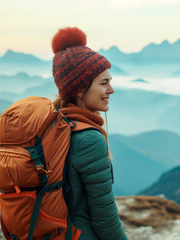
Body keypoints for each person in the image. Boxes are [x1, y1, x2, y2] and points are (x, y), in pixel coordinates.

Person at [51, 27, 129, 240]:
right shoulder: (89, 139)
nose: (111, 90)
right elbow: (105, 218)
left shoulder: (57, 123)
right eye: (104, 83)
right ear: (79, 89)